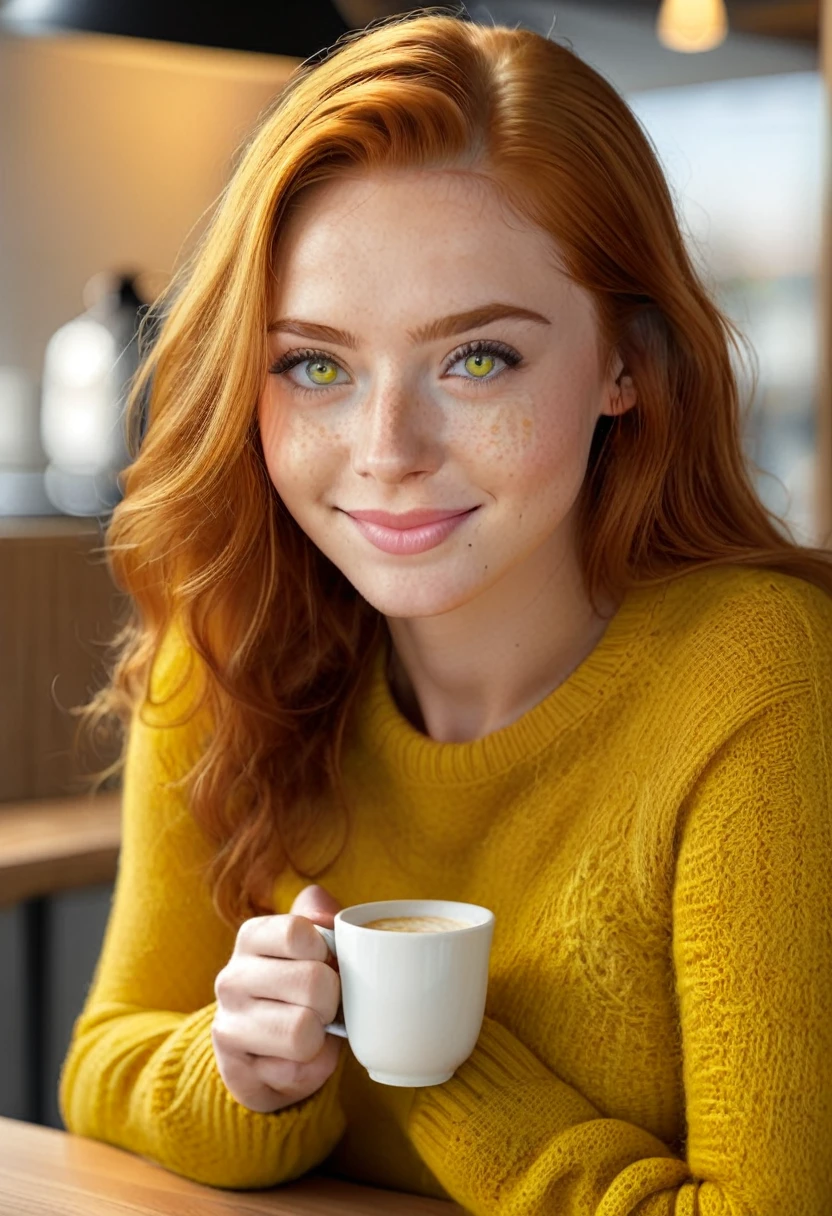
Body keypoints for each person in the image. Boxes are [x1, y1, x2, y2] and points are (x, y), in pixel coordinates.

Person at [59, 8, 832, 1214]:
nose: (387, 452)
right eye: (314, 363)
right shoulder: (229, 640)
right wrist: (242, 1072)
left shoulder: (756, 680)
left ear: (625, 360)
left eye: (477, 359)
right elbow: (103, 1060)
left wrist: (434, 1058)